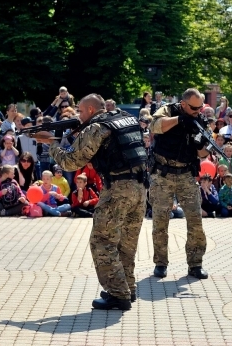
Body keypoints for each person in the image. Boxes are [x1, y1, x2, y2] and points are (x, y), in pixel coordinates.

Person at [34, 93, 147, 310]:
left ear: (92, 111)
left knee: (102, 241)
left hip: (117, 189)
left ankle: (117, 294)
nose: (79, 115)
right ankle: (127, 288)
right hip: (140, 188)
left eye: (81, 111)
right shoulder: (124, 119)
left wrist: (52, 143)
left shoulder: (96, 128)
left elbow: (70, 162)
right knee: (127, 243)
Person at [146, 88, 209, 282]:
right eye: (193, 108)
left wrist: (200, 144)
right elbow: (154, 126)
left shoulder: (200, 120)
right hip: (163, 174)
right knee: (160, 221)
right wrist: (180, 120)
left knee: (195, 220)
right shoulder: (168, 110)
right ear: (183, 104)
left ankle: (195, 264)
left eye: (200, 107)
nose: (198, 111)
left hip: (186, 174)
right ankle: (160, 263)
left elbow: (204, 154)